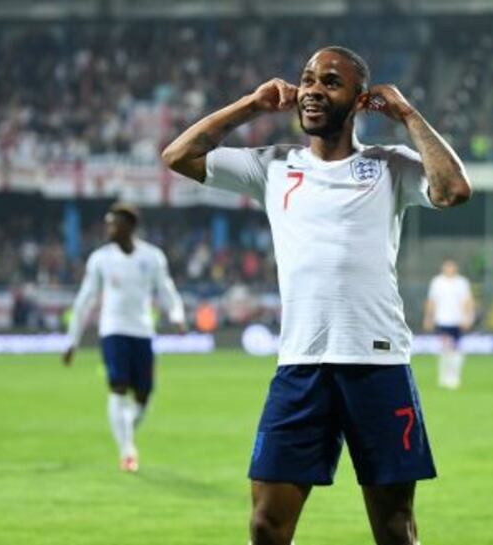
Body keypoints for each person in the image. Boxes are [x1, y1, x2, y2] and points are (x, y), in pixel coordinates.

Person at [162, 46, 471, 545]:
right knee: (265, 525)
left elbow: (454, 188)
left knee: (395, 529)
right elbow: (177, 156)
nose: (312, 90)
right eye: (308, 79)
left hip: (377, 364)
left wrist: (409, 115)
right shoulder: (274, 166)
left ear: (360, 100)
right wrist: (251, 106)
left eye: (330, 82)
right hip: (301, 366)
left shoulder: (390, 165)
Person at [62, 203, 187, 473]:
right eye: (107, 223)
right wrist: (72, 340)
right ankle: (127, 450)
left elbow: (166, 289)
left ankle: (125, 431)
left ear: (129, 226)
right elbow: (85, 299)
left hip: (142, 331)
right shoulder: (100, 259)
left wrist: (176, 314)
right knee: (118, 387)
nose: (109, 228)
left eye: (114, 223)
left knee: (144, 395)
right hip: (113, 331)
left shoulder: (152, 257)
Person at [422, 259, 474, 390]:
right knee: (445, 349)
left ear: (455, 268)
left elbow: (467, 301)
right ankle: (443, 377)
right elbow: (431, 301)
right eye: (447, 267)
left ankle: (454, 377)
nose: (449, 269)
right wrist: (428, 317)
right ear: (443, 268)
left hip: (457, 320)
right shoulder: (437, 282)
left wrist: (468, 317)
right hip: (442, 320)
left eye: (451, 267)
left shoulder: (462, 282)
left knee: (456, 349)